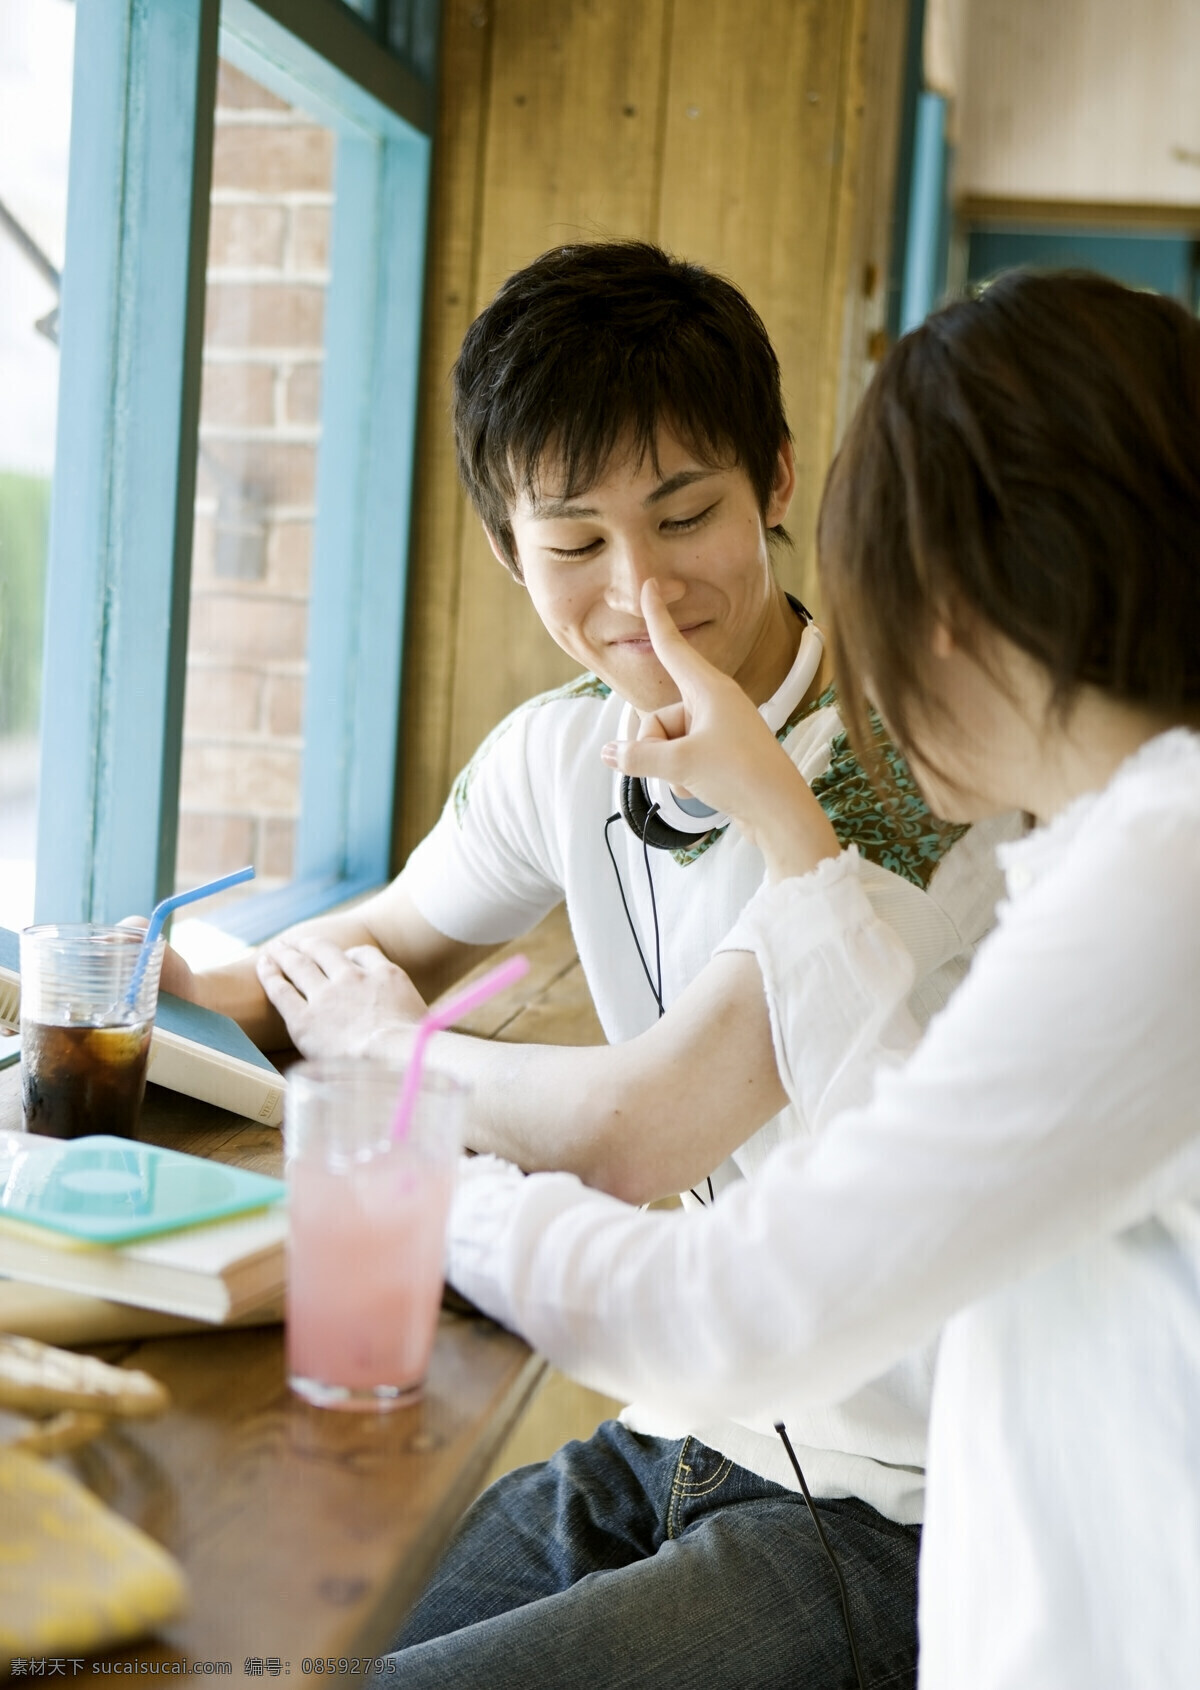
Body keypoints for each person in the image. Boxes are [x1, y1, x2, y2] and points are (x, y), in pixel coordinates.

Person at [166, 244, 1014, 1688]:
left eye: (685, 513)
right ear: (508, 548)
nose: (641, 590)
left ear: (779, 483)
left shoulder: (899, 764)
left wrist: (392, 1054)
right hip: (671, 1431)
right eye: (573, 543)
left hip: (891, 1509)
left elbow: (649, 1123)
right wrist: (157, 976)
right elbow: (369, 949)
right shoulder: (560, 744)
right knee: (242, 1647)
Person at [426, 269, 1200, 1689]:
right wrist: (786, 819)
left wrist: (422, 1163)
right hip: (754, 1458)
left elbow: (734, 1293)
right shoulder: (1132, 845)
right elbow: (896, 1116)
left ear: (954, 609)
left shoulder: (1163, 877)